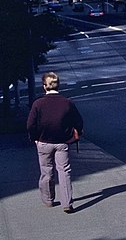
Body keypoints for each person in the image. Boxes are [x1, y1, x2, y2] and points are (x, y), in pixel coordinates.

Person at [26, 72, 84, 214]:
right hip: (62, 142)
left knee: (46, 171)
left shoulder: (38, 104)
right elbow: (78, 121)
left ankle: (49, 199)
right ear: (58, 84)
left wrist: (34, 137)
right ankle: (67, 203)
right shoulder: (67, 102)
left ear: (44, 86)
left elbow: (30, 124)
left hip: (43, 141)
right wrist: (76, 133)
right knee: (64, 171)